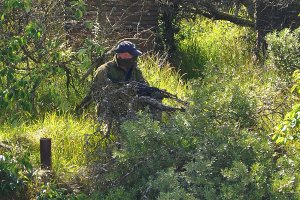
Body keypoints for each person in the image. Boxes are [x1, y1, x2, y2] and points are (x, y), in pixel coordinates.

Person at [76, 41, 146, 117]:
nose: (134, 57)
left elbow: (144, 86)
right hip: (109, 110)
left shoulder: (135, 70)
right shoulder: (105, 70)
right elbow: (95, 93)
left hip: (132, 107)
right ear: (122, 55)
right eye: (131, 55)